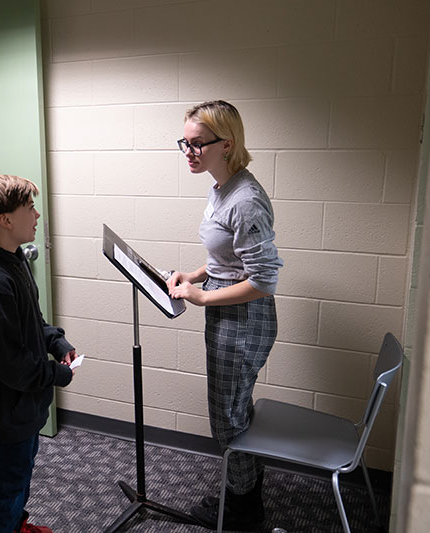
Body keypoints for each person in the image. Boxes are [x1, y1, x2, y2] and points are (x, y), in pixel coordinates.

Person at [165, 100, 282, 531]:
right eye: (185, 143)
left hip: (244, 321)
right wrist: (194, 274)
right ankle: (242, 490)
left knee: (227, 419)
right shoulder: (222, 188)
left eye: (198, 144)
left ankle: (244, 513)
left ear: (226, 144)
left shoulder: (246, 199)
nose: (189, 152)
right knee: (234, 411)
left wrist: (202, 298)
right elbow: (229, 261)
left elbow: (263, 280)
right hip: (229, 315)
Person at [0, 174, 78, 533]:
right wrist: (54, 375)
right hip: (3, 408)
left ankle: (13, 524)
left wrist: (54, 342)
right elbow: (9, 363)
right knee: (8, 484)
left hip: (20, 404)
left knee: (20, 473)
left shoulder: (12, 258)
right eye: (29, 208)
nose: (37, 215)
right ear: (5, 220)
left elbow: (31, 319)